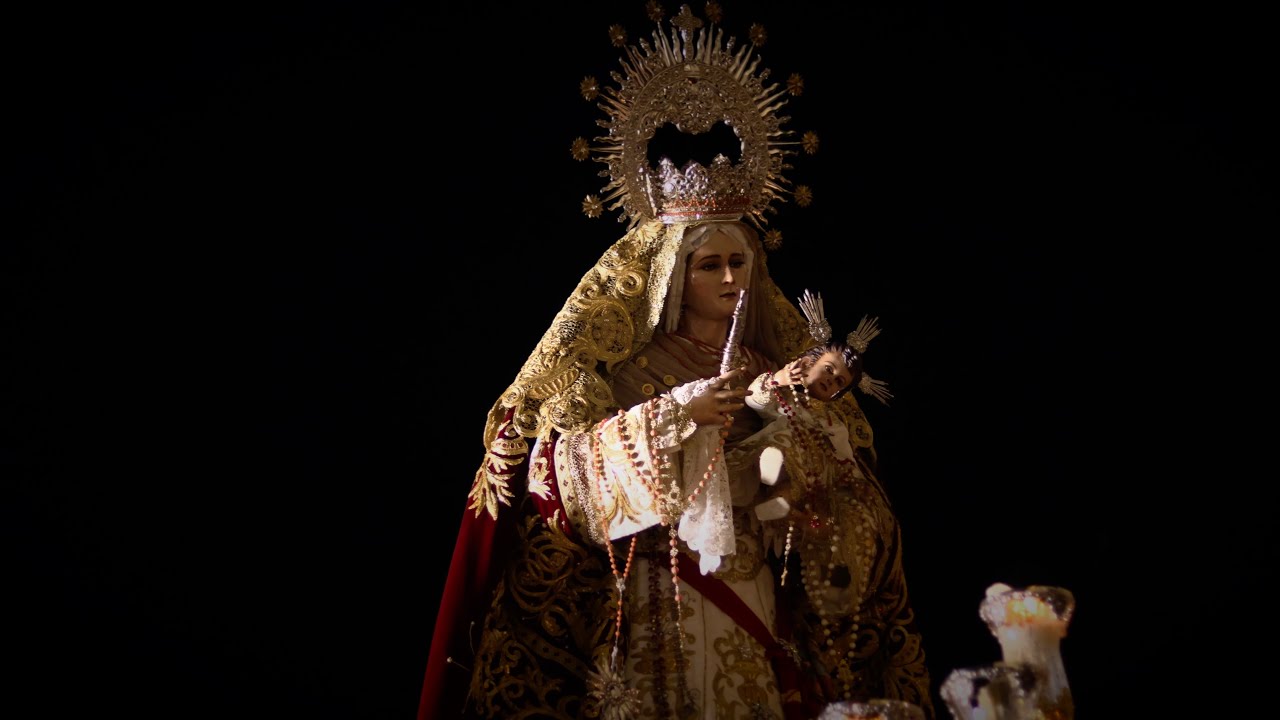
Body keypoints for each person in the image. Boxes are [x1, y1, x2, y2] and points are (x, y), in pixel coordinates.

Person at [418, 7, 933, 719]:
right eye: (709, 265)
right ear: (669, 276)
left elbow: (833, 501)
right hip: (662, 599)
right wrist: (674, 416)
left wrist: (803, 430)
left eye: (739, 263)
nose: (730, 280)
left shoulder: (769, 363)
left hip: (755, 595)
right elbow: (560, 476)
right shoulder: (629, 373)